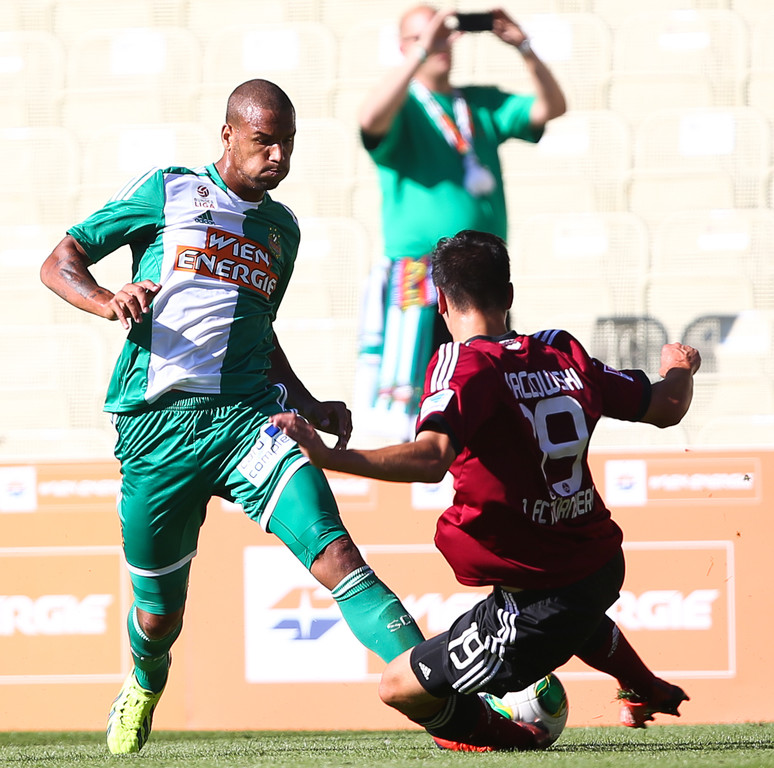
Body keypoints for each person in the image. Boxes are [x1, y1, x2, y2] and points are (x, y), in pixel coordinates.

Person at [39, 79, 424, 755]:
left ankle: (446, 688)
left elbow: (258, 331)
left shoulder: (283, 231)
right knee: (158, 617)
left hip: (249, 421)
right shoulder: (168, 190)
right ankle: (145, 683)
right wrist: (105, 299)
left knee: (337, 554)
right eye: (263, 141)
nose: (278, 156)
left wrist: (307, 403)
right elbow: (59, 260)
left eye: (288, 143)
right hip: (158, 429)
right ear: (228, 135)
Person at [272, 229, 700, 751]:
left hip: (536, 600)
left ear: (442, 301)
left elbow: (432, 458)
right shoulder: (560, 350)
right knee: (573, 606)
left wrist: (331, 457)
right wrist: (679, 367)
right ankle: (645, 686)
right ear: (509, 295)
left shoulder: (463, 364)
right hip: (597, 565)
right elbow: (667, 406)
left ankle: (513, 739)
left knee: (398, 687)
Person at [354, 5, 567, 441]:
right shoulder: (404, 107)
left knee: (487, 380)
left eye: (443, 35)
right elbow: (369, 120)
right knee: (413, 395)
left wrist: (525, 47)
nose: (438, 44)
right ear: (404, 47)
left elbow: (552, 107)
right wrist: (420, 53)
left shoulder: (477, 102)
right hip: (418, 273)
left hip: (480, 272)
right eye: (422, 37)